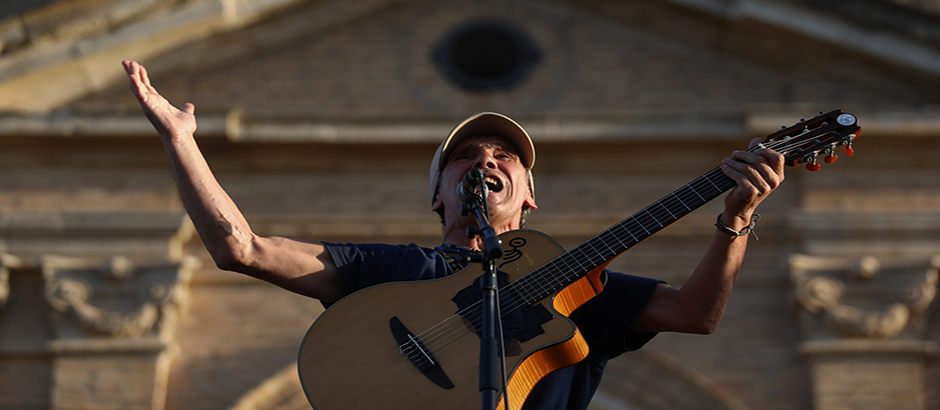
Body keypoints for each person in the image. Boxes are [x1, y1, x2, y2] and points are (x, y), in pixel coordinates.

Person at [122, 59, 785, 410]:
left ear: (529, 195)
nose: (487, 160)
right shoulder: (391, 269)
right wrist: (181, 142)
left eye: (505, 156)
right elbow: (241, 247)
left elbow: (696, 314)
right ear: (439, 193)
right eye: (467, 156)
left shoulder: (578, 282)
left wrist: (733, 220)